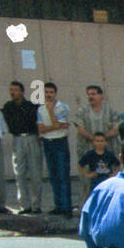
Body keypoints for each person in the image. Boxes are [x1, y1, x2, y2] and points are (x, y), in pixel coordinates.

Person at [72, 85, 121, 206]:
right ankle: (86, 206)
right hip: (88, 151)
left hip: (106, 153)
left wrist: (102, 140)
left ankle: (109, 206)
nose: (91, 96)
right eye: (89, 94)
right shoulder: (82, 111)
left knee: (109, 181)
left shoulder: (110, 111)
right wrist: (94, 139)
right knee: (87, 181)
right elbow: (80, 129)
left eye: (93, 94)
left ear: (101, 96)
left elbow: (116, 129)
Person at [3, 80, 45, 213]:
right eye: (11, 90)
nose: (12, 92)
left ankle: (36, 205)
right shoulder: (8, 107)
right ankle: (24, 205)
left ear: (22, 92)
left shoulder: (32, 106)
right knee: (19, 173)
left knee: (35, 173)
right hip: (17, 139)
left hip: (32, 138)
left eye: (15, 90)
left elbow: (40, 120)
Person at [37, 82, 72, 216]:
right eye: (46, 92)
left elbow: (59, 124)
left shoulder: (62, 107)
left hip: (60, 143)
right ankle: (58, 206)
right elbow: (42, 129)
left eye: (51, 92)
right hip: (48, 143)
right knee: (53, 175)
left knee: (63, 175)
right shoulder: (40, 109)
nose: (49, 95)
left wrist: (51, 111)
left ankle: (66, 207)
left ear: (55, 93)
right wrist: (56, 126)